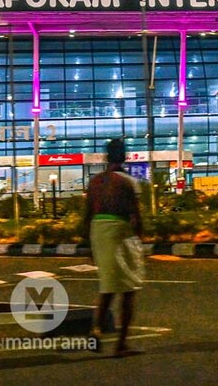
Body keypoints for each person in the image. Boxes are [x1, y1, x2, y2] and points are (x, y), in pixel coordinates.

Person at [83, 138, 145, 357]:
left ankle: (96, 332)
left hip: (98, 231)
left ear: (106, 157)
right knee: (129, 289)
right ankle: (121, 344)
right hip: (120, 231)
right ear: (125, 157)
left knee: (107, 286)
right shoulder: (129, 182)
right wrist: (139, 242)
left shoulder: (95, 182)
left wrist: (89, 246)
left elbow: (87, 215)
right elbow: (135, 215)